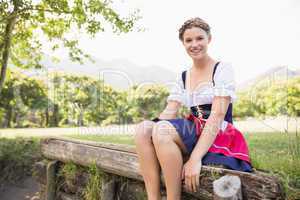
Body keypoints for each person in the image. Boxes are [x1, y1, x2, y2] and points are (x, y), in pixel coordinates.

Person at [134, 17, 252, 200]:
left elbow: (218, 114)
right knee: (143, 129)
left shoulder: (222, 69)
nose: (194, 44)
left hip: (218, 130)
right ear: (183, 43)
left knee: (162, 130)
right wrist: (149, 128)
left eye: (199, 38)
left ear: (209, 39)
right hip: (195, 127)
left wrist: (195, 158)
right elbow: (170, 111)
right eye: (189, 40)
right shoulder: (183, 76)